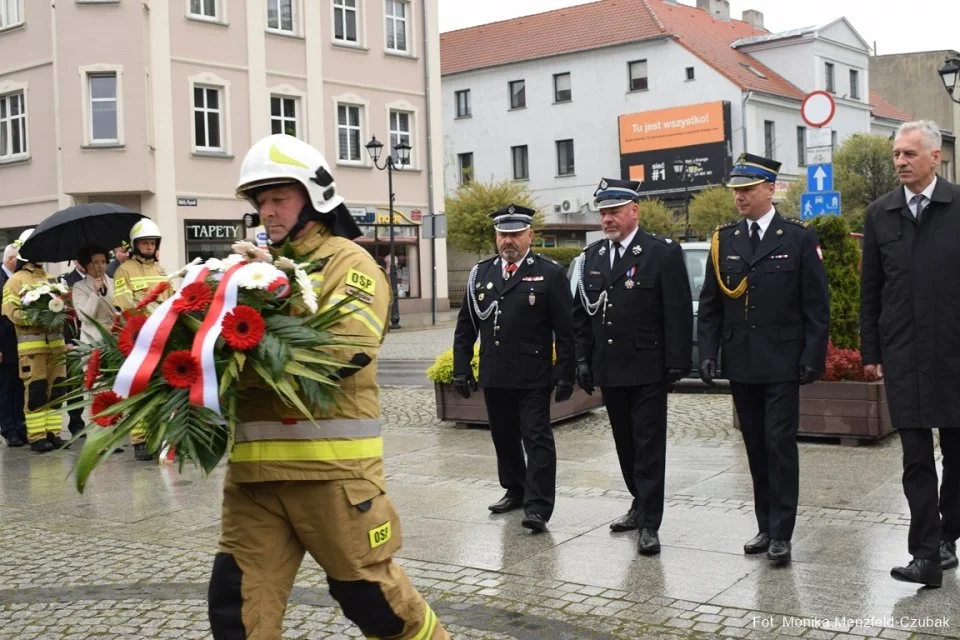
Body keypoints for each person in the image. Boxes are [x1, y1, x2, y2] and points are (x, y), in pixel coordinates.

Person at [207, 133, 448, 639]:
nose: (267, 211)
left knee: (374, 602)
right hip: (255, 478)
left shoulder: (349, 264)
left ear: (314, 198)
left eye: (279, 198)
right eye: (260, 201)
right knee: (235, 610)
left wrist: (247, 352)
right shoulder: (246, 271)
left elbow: (344, 351)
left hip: (333, 477)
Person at [697, 153, 830, 567]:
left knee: (779, 445)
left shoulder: (797, 238)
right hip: (742, 361)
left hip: (783, 360)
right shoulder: (725, 239)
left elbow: (816, 305)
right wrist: (708, 352)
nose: (740, 198)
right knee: (755, 446)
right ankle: (765, 525)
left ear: (770, 189)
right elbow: (711, 303)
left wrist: (812, 355)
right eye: (736, 191)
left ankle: (783, 533)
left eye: (748, 190)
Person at [860, 120, 960, 587]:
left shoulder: (958, 205)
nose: (900, 161)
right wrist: (871, 349)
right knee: (915, 457)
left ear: (935, 157)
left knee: (958, 455)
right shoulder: (880, 213)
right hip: (903, 354)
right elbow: (871, 290)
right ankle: (925, 553)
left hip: (954, 355)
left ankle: (947, 536)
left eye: (909, 154)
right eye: (896, 154)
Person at [572, 178, 693, 556]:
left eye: (614, 212)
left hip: (647, 367)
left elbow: (677, 310)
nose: (607, 219)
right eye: (603, 212)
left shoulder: (660, 253)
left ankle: (650, 523)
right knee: (625, 444)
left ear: (634, 211)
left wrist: (677, 362)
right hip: (609, 368)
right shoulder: (591, 258)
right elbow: (582, 316)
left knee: (648, 445)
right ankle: (638, 502)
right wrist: (582, 359)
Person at [452, 204, 575, 533]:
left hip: (533, 374)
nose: (509, 241)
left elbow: (566, 331)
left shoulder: (549, 273)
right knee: (503, 437)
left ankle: (538, 506)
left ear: (530, 235)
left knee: (536, 439)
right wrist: (461, 367)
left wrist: (566, 373)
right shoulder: (482, 273)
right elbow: (467, 326)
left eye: (515, 234)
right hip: (495, 373)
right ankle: (515, 489)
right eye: (503, 234)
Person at [1, 229, 68, 453]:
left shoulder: (51, 279)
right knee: (37, 391)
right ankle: (37, 436)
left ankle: (54, 433)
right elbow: (11, 312)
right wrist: (37, 316)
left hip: (56, 346)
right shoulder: (16, 281)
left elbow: (64, 308)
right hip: (33, 348)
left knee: (58, 390)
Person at [113, 218, 172, 460]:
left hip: (161, 336)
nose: (148, 247)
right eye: (144, 243)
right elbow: (123, 302)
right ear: (136, 245)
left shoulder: (160, 270)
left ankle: (159, 437)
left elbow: (171, 297)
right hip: (138, 337)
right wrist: (149, 314)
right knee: (139, 389)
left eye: (152, 243)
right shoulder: (123, 270)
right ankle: (139, 441)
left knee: (160, 388)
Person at [71, 245, 118, 434]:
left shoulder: (113, 281)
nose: (100, 266)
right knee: (97, 389)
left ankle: (112, 431)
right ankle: (99, 434)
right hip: (92, 341)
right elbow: (85, 315)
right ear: (85, 265)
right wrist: (95, 293)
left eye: (103, 262)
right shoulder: (79, 287)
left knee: (112, 387)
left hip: (112, 339)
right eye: (95, 262)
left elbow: (119, 307)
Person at [0, 243, 26, 447]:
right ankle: (9, 429)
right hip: (4, 343)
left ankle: (20, 425)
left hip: (21, 341)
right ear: (11, 259)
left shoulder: (21, 279)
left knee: (20, 386)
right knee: (6, 388)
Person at [59, 261, 87, 436]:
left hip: (94, 337)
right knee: (75, 383)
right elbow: (60, 313)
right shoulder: (64, 281)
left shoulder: (100, 280)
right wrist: (67, 340)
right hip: (74, 339)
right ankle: (76, 423)